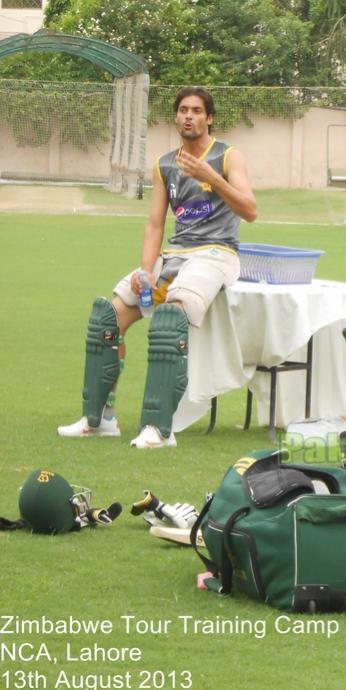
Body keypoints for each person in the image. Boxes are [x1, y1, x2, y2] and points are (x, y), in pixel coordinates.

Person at [57, 87, 258, 449]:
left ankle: (158, 428)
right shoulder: (165, 164)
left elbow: (250, 210)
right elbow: (154, 225)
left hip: (216, 254)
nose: (189, 116)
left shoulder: (229, 157)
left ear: (209, 118)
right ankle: (100, 418)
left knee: (171, 317)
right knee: (108, 317)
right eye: (183, 110)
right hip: (175, 254)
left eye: (197, 110)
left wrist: (211, 177)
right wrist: (146, 270)